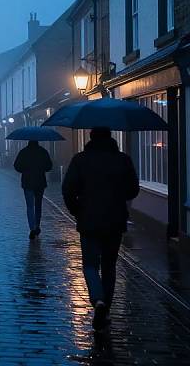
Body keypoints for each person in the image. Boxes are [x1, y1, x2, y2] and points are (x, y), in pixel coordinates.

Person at [62, 127, 139, 332]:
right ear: (111, 137)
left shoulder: (80, 159)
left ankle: (98, 301)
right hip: (115, 219)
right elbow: (133, 189)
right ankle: (106, 309)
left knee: (89, 265)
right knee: (109, 265)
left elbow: (68, 188)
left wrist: (76, 209)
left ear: (90, 138)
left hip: (88, 219)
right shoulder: (123, 160)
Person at [14, 140, 52, 240]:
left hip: (27, 182)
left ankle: (32, 227)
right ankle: (37, 225)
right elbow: (49, 166)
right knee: (38, 205)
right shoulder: (43, 152)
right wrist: (41, 168)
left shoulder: (23, 152)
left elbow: (17, 166)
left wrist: (25, 169)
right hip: (40, 182)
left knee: (30, 205)